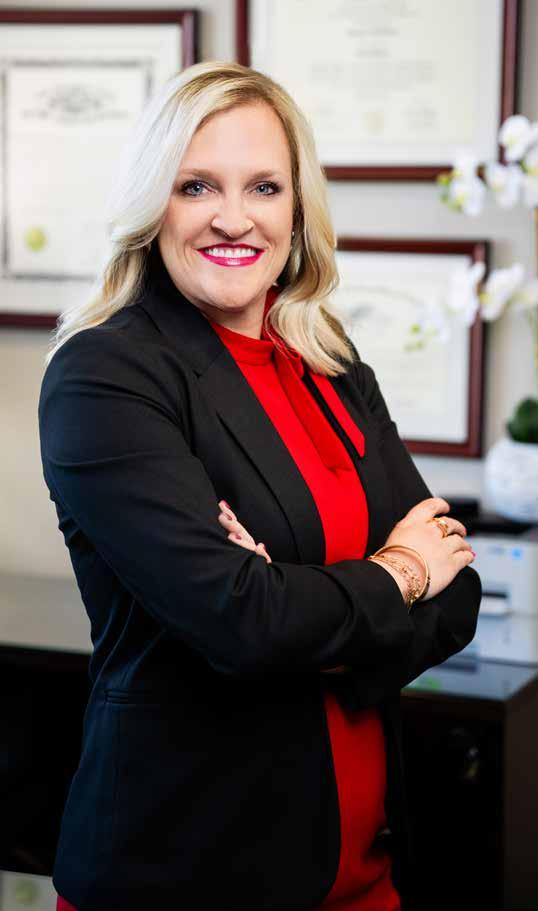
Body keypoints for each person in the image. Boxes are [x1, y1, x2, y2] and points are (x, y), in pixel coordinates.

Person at [39, 61, 481, 911]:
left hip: (364, 871)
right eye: (196, 185)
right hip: (189, 876)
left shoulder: (328, 358)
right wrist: (399, 571)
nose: (233, 218)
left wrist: (300, 611)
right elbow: (244, 621)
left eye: (264, 187)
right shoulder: (106, 375)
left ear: (297, 208)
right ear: (153, 205)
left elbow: (458, 591)